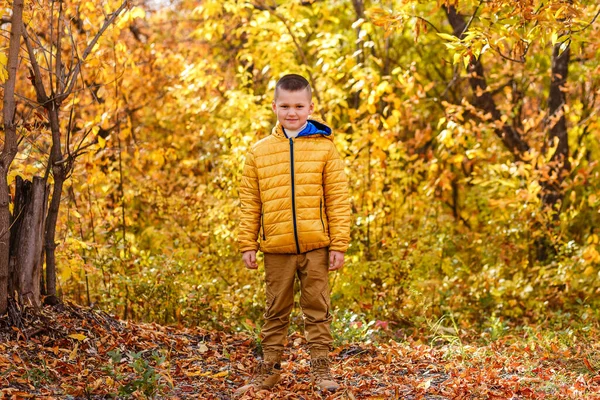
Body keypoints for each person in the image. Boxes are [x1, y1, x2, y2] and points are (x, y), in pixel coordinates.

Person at [235, 74, 351, 395]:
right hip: (277, 248)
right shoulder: (259, 152)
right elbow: (250, 204)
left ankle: (322, 371)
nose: (292, 112)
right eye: (285, 106)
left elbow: (337, 200)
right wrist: (248, 243)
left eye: (299, 106)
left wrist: (338, 244)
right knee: (275, 311)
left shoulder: (325, 149)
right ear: (274, 106)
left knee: (318, 309)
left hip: (316, 246)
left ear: (310, 107)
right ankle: (268, 372)